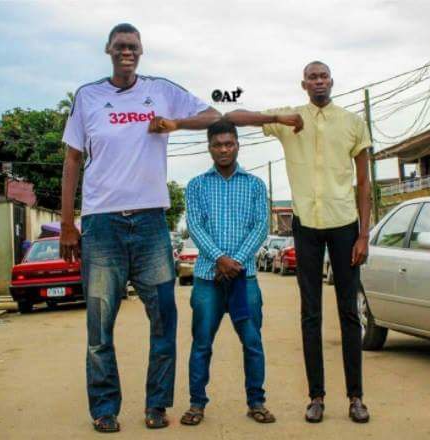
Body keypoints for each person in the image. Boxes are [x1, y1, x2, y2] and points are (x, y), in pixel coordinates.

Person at [60, 23, 220, 433]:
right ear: (108, 50)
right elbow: (73, 160)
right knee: (99, 325)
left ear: (141, 50)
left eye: (132, 46)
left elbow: (213, 116)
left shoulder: (161, 90)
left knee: (164, 318)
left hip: (151, 223)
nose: (126, 52)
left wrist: (174, 124)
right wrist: (67, 224)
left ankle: (156, 405)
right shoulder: (87, 96)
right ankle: (104, 408)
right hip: (101, 225)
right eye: (119, 46)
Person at [225, 61, 372, 423]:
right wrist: (281, 119)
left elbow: (364, 182)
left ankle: (355, 397)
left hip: (344, 226)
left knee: (349, 313)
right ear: (303, 84)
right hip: (306, 226)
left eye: (323, 76)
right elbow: (234, 116)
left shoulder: (353, 123)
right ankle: (316, 397)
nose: (318, 81)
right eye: (312, 77)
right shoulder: (290, 119)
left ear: (332, 81)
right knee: (310, 314)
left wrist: (364, 235)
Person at [178, 120, 278, 426]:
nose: (224, 149)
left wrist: (234, 262)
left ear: (237, 145)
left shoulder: (255, 185)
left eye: (229, 144)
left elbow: (260, 227)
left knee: (252, 342)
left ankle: (257, 402)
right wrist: (220, 259)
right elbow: (195, 226)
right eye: (218, 145)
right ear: (209, 148)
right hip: (207, 280)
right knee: (201, 344)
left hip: (244, 280)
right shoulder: (196, 185)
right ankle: (196, 404)